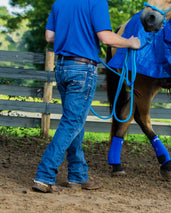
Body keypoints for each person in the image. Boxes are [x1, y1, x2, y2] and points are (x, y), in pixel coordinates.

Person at [32, 0, 141, 193]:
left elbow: (49, 36)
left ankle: (78, 175)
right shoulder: (96, 2)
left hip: (62, 68)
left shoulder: (59, 3)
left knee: (75, 122)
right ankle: (45, 175)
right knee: (72, 123)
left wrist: (71, 34)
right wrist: (130, 42)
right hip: (82, 70)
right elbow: (106, 38)